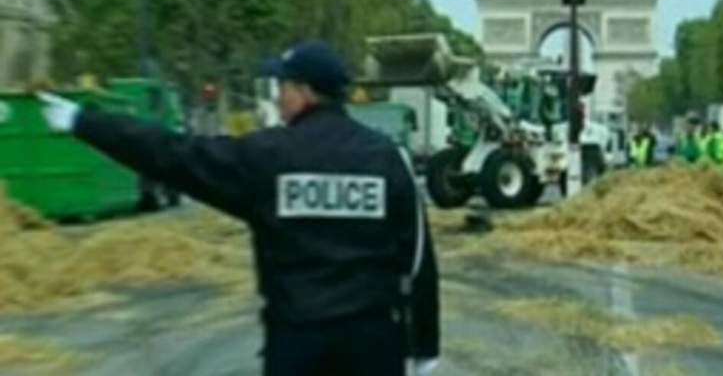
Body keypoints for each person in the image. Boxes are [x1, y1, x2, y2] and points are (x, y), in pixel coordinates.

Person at [37, 40, 439, 376]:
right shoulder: (388, 158)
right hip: (373, 344)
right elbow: (419, 259)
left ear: (303, 90)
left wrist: (84, 122)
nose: (278, 99)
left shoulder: (268, 156)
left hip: (297, 342)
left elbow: (173, 155)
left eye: (282, 87)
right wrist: (424, 347)